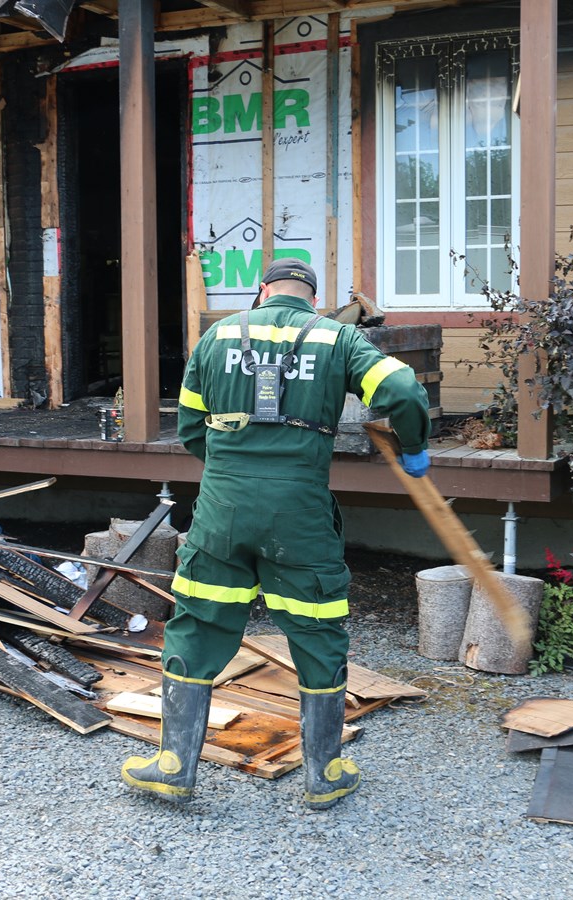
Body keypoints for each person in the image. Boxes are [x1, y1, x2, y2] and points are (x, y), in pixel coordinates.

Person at [121, 258, 431, 809]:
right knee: (317, 631)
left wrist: (232, 470)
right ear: (312, 298)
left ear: (262, 291)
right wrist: (412, 444)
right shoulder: (337, 338)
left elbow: (192, 427)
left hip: (223, 509)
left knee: (198, 623)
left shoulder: (218, 336)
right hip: (300, 514)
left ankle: (172, 766)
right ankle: (324, 774)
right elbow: (403, 388)